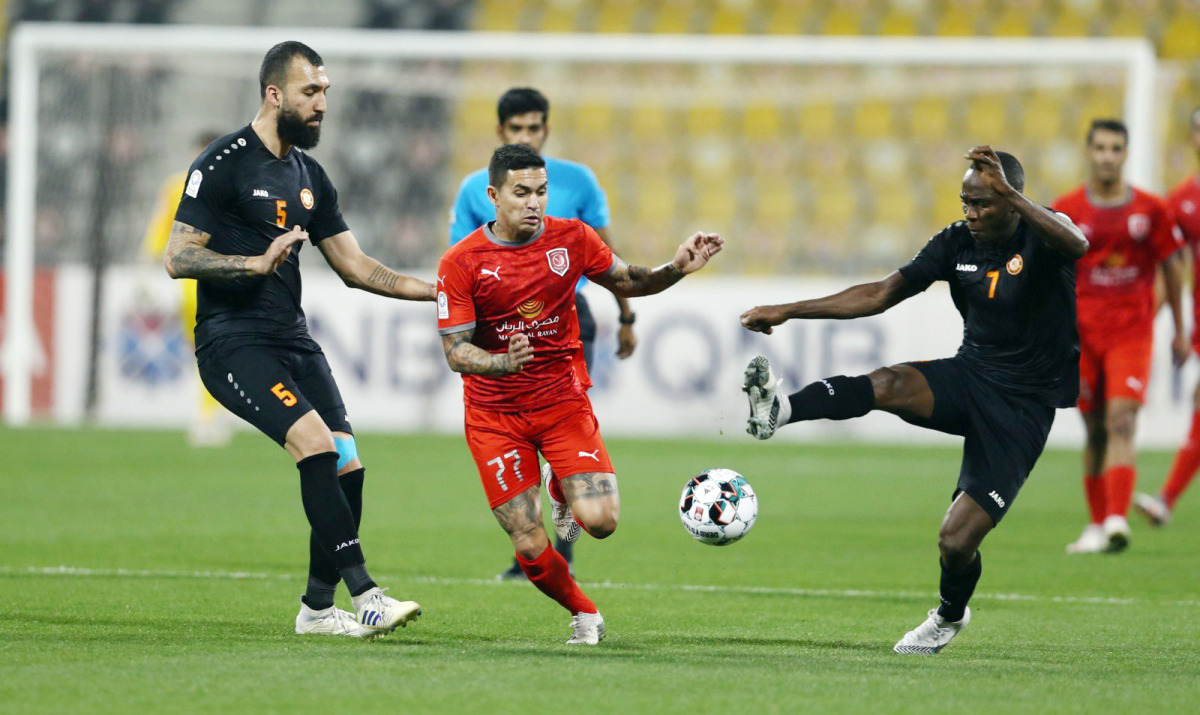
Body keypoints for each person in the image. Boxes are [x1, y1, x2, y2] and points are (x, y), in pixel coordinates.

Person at [741, 147, 1087, 655]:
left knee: (955, 540)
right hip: (971, 375)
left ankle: (949, 615)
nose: (968, 213)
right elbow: (879, 293)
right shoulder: (954, 241)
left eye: (981, 203)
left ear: (1013, 202)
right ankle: (779, 411)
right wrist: (789, 310)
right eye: (964, 201)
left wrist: (1013, 194)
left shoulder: (1045, 232)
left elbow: (1078, 244)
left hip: (1023, 406)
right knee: (889, 383)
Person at [164, 41, 434, 638]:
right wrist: (254, 265)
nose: (322, 105)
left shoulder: (310, 174)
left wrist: (443, 292)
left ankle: (316, 610)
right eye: (312, 92)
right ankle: (366, 595)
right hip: (232, 342)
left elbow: (360, 267)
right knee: (314, 445)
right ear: (275, 94)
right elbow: (177, 256)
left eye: (326, 93)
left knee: (348, 463)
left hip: (293, 339)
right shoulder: (222, 161)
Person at [437, 143, 721, 644]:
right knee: (527, 541)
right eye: (521, 192)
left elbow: (630, 280)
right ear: (493, 196)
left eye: (541, 192)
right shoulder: (461, 263)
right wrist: (502, 362)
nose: (534, 203)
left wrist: (676, 266)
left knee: (602, 521)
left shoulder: (572, 238)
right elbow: (456, 351)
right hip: (493, 415)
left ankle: (558, 483)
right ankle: (584, 612)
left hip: (561, 401)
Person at [449, 87, 637, 580]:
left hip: (568, 314)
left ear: (546, 130)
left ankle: (565, 547)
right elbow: (461, 264)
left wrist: (627, 315)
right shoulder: (474, 189)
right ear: (500, 133)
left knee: (559, 418)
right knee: (518, 448)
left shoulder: (577, 181)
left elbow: (609, 258)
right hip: (501, 329)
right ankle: (531, 546)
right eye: (517, 129)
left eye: (534, 128)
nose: (526, 136)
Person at [1052, 119, 1185, 554]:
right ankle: (1095, 524)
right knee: (1093, 429)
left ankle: (1115, 520)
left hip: (1131, 334)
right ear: (1089, 152)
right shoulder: (1067, 209)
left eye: (1116, 148)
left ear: (1126, 154)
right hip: (1082, 335)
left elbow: (1173, 267)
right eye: (1101, 148)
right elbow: (1051, 275)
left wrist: (1179, 329)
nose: (1108, 155)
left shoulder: (1151, 209)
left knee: (1122, 420)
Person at [142, 130, 231, 447]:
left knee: (212, 349)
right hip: (192, 282)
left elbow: (157, 233)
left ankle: (209, 415)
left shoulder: (231, 186)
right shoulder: (179, 186)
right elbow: (160, 230)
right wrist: (149, 272)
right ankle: (213, 411)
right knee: (206, 351)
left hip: (217, 280)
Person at [1137, 108, 1200, 526]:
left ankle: (1166, 500)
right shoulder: (1183, 201)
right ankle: (1166, 499)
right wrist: (1146, 319)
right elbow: (1166, 263)